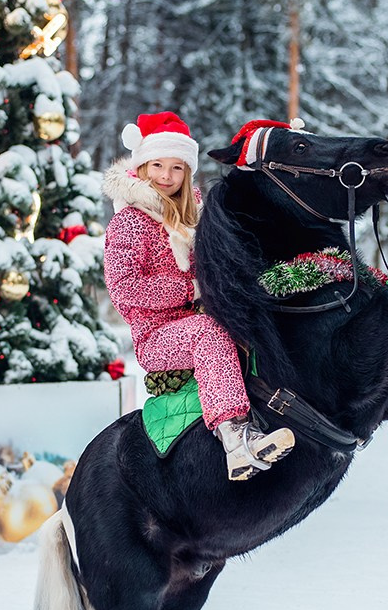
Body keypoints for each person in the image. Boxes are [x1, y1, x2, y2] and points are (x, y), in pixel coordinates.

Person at [102, 111, 295, 481]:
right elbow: (125, 288)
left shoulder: (193, 217)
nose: (166, 176)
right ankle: (236, 439)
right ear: (142, 166)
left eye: (176, 168)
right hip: (157, 336)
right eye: (157, 165)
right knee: (208, 334)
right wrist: (190, 288)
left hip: (202, 318)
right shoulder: (129, 222)